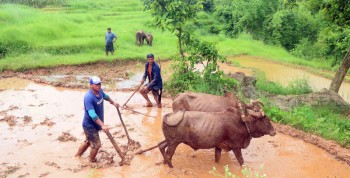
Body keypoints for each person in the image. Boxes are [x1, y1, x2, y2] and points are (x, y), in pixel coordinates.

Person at [75, 76, 120, 162]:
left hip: (96, 123)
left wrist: (113, 102)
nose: (98, 86)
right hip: (89, 125)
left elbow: (105, 96)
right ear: (91, 85)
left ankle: (77, 156)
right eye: (96, 84)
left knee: (88, 141)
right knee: (96, 144)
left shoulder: (100, 91)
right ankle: (91, 161)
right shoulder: (88, 97)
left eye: (99, 84)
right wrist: (103, 125)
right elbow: (92, 115)